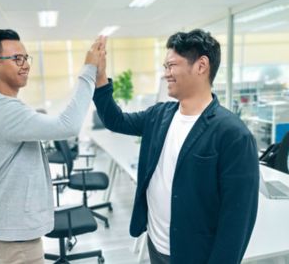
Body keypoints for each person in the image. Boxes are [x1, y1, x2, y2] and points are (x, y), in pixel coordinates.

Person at [93, 29, 259, 264]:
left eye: (171, 66)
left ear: (201, 66)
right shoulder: (160, 115)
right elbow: (115, 120)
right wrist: (100, 79)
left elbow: (237, 220)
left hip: (196, 255)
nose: (166, 74)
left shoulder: (233, 134)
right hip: (156, 245)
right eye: (165, 67)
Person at [0, 29, 106, 264]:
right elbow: (68, 126)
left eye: (25, 57)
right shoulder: (4, 110)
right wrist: (89, 70)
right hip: (14, 230)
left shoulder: (1, 107)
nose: (25, 65)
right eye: (16, 59)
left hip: (11, 225)